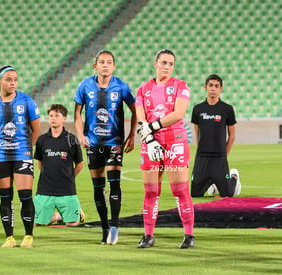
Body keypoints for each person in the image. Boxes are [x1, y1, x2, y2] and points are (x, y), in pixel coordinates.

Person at [74, 50, 137, 245]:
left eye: (109, 62)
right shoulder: (85, 85)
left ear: (114, 67)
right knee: (98, 188)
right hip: (93, 143)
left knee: (115, 184)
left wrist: (132, 135)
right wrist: (80, 135)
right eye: (101, 62)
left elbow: (136, 111)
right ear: (95, 66)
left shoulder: (121, 87)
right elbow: (77, 112)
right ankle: (104, 228)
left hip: (114, 143)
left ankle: (115, 228)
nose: (105, 65)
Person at [135, 49, 195, 249]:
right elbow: (140, 116)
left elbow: (178, 114)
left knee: (180, 190)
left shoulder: (180, 86)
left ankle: (189, 235)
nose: (167, 67)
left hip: (175, 141)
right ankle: (148, 236)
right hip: (151, 143)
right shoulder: (143, 89)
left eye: (171, 64)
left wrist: (150, 128)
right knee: (151, 191)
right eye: (163, 63)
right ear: (155, 64)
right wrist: (150, 139)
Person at [0, 65, 40, 248]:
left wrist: (26, 149)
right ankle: (9, 237)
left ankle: (28, 236)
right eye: (8, 79)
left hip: (22, 154)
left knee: (25, 196)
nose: (12, 83)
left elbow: (36, 129)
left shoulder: (27, 101)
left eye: (15, 79)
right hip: (0, 156)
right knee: (5, 197)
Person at [190, 74, 241, 197]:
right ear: (205, 87)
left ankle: (234, 177)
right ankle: (212, 182)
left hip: (219, 158)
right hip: (202, 157)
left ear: (220, 89)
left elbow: (232, 136)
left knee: (227, 194)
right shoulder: (197, 109)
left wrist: (224, 154)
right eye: (211, 85)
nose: (213, 88)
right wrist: (201, 150)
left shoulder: (227, 109)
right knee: (195, 194)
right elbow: (198, 135)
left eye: (216, 86)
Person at [34, 104, 84, 226]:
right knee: (37, 224)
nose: (53, 118)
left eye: (57, 115)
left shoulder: (71, 139)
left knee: (72, 223)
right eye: (51, 115)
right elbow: (39, 163)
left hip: (66, 189)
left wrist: (69, 177)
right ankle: (58, 216)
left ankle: (71, 214)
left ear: (64, 118)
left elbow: (79, 164)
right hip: (45, 189)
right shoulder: (42, 140)